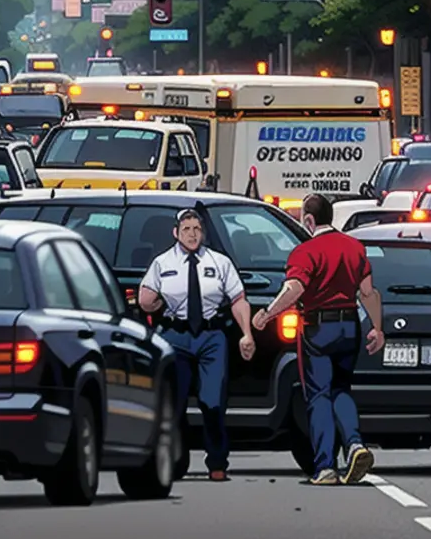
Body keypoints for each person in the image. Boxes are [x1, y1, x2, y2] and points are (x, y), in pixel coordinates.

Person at [253, 193, 385, 485]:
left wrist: (267, 314)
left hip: (318, 328)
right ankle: (354, 444)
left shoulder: (305, 252)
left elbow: (294, 289)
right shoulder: (354, 247)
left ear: (309, 220)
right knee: (342, 388)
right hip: (350, 325)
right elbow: (368, 293)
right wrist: (377, 327)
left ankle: (325, 467)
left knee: (318, 395)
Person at [138, 209, 256, 481]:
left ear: (203, 232)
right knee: (174, 404)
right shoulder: (162, 262)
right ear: (175, 233)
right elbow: (145, 297)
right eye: (186, 229)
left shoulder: (219, 262)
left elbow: (238, 300)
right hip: (175, 336)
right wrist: (152, 302)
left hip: (211, 336)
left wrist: (246, 334)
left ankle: (217, 462)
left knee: (212, 401)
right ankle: (176, 462)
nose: (192, 234)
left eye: (197, 229)